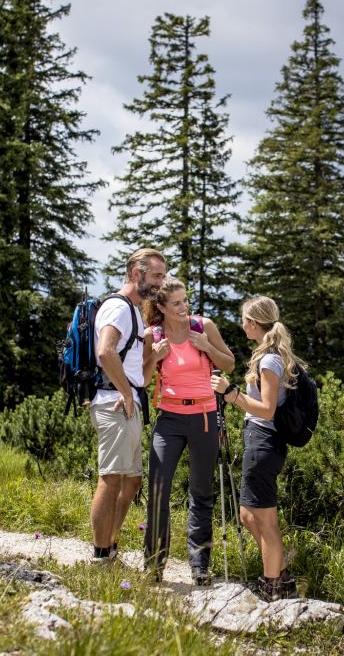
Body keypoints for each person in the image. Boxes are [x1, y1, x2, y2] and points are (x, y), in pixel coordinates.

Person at [141, 277, 235, 584]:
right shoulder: (152, 335)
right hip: (169, 419)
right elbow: (142, 379)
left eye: (186, 301)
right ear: (161, 308)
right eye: (177, 303)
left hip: (205, 418)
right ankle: (154, 564)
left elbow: (230, 364)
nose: (185, 308)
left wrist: (207, 346)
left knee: (201, 493)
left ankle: (199, 566)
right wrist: (154, 356)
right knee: (158, 490)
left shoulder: (203, 326)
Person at [210, 295, 301, 600]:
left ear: (253, 322)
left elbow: (266, 409)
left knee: (265, 520)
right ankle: (279, 573)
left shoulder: (270, 360)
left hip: (264, 441)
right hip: (258, 440)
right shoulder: (267, 356)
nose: (242, 324)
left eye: (244, 319)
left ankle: (273, 588)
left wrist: (231, 394)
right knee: (248, 516)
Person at [88, 248, 166, 564]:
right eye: (157, 276)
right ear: (136, 274)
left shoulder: (134, 310)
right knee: (110, 479)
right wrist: (125, 392)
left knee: (131, 480)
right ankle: (101, 555)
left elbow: (137, 375)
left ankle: (111, 543)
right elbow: (105, 352)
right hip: (115, 404)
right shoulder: (118, 308)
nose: (161, 283)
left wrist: (152, 360)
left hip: (127, 403)